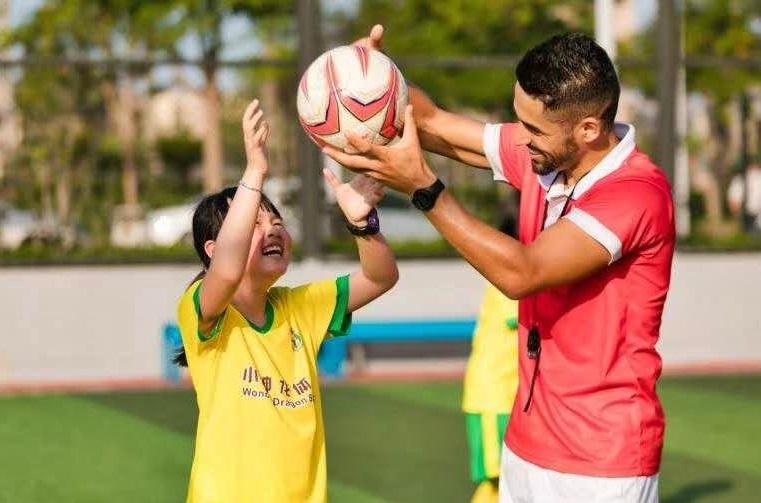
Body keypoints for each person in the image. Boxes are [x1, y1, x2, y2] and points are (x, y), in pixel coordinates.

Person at [329, 27, 675, 503]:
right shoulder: (551, 155)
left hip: (603, 462)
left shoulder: (636, 193)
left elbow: (522, 273)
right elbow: (429, 121)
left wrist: (424, 189)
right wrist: (372, 80)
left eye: (533, 130)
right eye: (520, 122)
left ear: (589, 129)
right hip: (527, 445)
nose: (521, 140)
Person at [175, 98, 398, 503]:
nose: (272, 227)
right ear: (213, 247)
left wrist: (361, 222)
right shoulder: (205, 310)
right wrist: (255, 172)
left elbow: (380, 276)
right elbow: (226, 270)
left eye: (276, 219)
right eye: (254, 222)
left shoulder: (300, 307)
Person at [463, 218, 520, 503]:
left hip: (504, 396)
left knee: (511, 480)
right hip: (493, 398)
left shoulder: (511, 279)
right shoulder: (511, 283)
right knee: (498, 481)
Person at [727, 162, 761, 232]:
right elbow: (734, 205)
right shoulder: (740, 180)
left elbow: (734, 205)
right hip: (752, 218)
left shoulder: (739, 179)